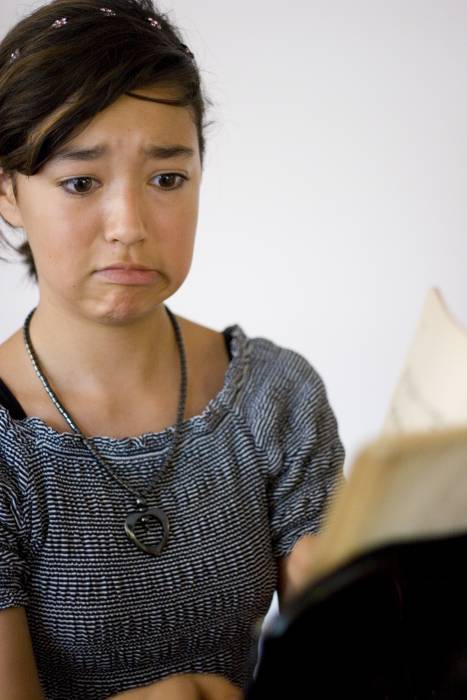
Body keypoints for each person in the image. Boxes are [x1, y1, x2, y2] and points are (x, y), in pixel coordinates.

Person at [0, 1, 345, 698]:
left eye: (166, 179)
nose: (128, 225)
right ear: (7, 191)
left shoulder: (273, 397)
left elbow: (338, 656)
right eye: (80, 182)